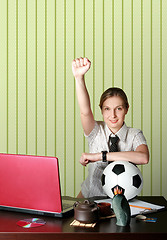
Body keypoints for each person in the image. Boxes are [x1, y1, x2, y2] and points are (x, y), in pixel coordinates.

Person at [72, 57, 149, 198]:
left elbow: (143, 157)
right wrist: (79, 78)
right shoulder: (95, 131)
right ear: (101, 111)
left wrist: (99, 156)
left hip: (123, 202)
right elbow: (85, 111)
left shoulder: (135, 135)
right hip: (91, 198)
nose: (112, 115)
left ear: (126, 109)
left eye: (118, 108)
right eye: (107, 109)